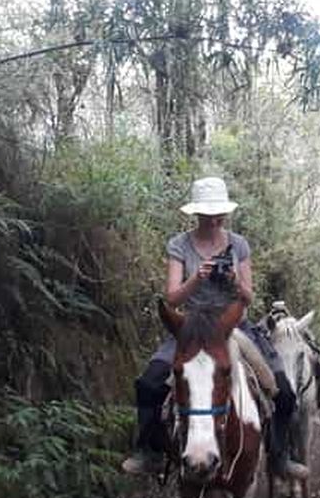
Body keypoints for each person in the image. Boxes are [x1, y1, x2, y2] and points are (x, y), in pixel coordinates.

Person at [122, 176, 296, 476]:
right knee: (149, 383)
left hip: (234, 325)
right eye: (208, 215)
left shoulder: (239, 244)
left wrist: (233, 280)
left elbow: (249, 296)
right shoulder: (179, 245)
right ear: (197, 214)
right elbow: (172, 298)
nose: (215, 221)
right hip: (191, 327)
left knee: (282, 389)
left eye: (219, 215)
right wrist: (197, 277)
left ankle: (279, 456)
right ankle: (149, 450)